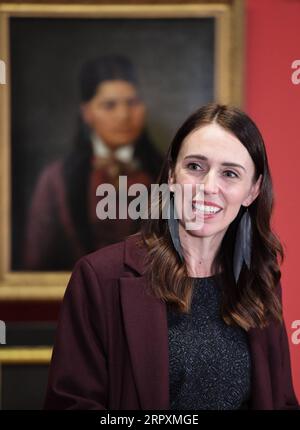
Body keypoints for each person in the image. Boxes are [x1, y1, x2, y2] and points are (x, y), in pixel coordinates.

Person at [44, 103, 299, 410]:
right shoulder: (100, 277)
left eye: (230, 173)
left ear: (252, 191)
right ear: (172, 175)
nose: (207, 188)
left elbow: (281, 401)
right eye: (195, 167)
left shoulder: (260, 279)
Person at [22, 55, 162, 270]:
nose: (124, 115)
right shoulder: (56, 179)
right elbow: (35, 264)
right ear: (87, 113)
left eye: (132, 103)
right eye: (109, 105)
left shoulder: (168, 173)